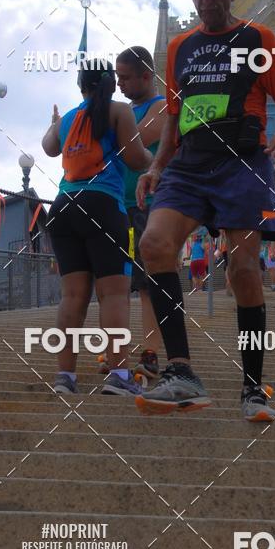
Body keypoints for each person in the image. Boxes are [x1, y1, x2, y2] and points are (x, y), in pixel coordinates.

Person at [135, 0, 275, 421]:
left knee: (243, 271)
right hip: (188, 164)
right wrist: (155, 166)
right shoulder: (180, 48)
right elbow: (172, 119)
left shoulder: (258, 39)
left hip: (242, 163)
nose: (207, 2)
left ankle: (253, 388)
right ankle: (182, 372)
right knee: (154, 244)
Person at [41, 59, 153, 397]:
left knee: (72, 296)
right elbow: (136, 158)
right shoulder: (119, 111)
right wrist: (157, 162)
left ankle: (65, 377)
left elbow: (48, 147)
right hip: (103, 204)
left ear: (80, 85)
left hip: (62, 206)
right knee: (114, 294)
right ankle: (119, 376)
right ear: (110, 82)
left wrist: (55, 123)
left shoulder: (69, 118)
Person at [115, 46, 166, 380]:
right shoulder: (124, 111)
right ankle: (116, 351)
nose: (120, 85)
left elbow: (133, 141)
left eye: (126, 78)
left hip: (147, 203)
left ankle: (152, 352)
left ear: (146, 76)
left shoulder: (160, 107)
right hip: (119, 203)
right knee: (118, 281)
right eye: (117, 79)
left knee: (149, 283)